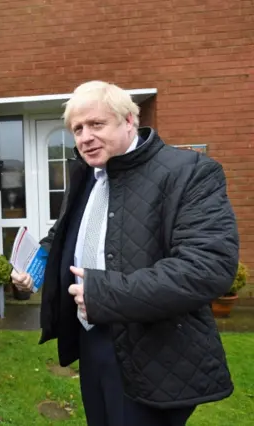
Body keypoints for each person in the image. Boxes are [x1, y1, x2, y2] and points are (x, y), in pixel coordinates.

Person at [12, 80, 238, 426]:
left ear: (129, 120)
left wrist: (103, 295)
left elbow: (208, 267)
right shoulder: (87, 174)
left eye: (96, 124)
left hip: (154, 350)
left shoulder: (189, 172)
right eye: (77, 129)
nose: (85, 137)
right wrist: (34, 270)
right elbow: (66, 235)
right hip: (92, 339)